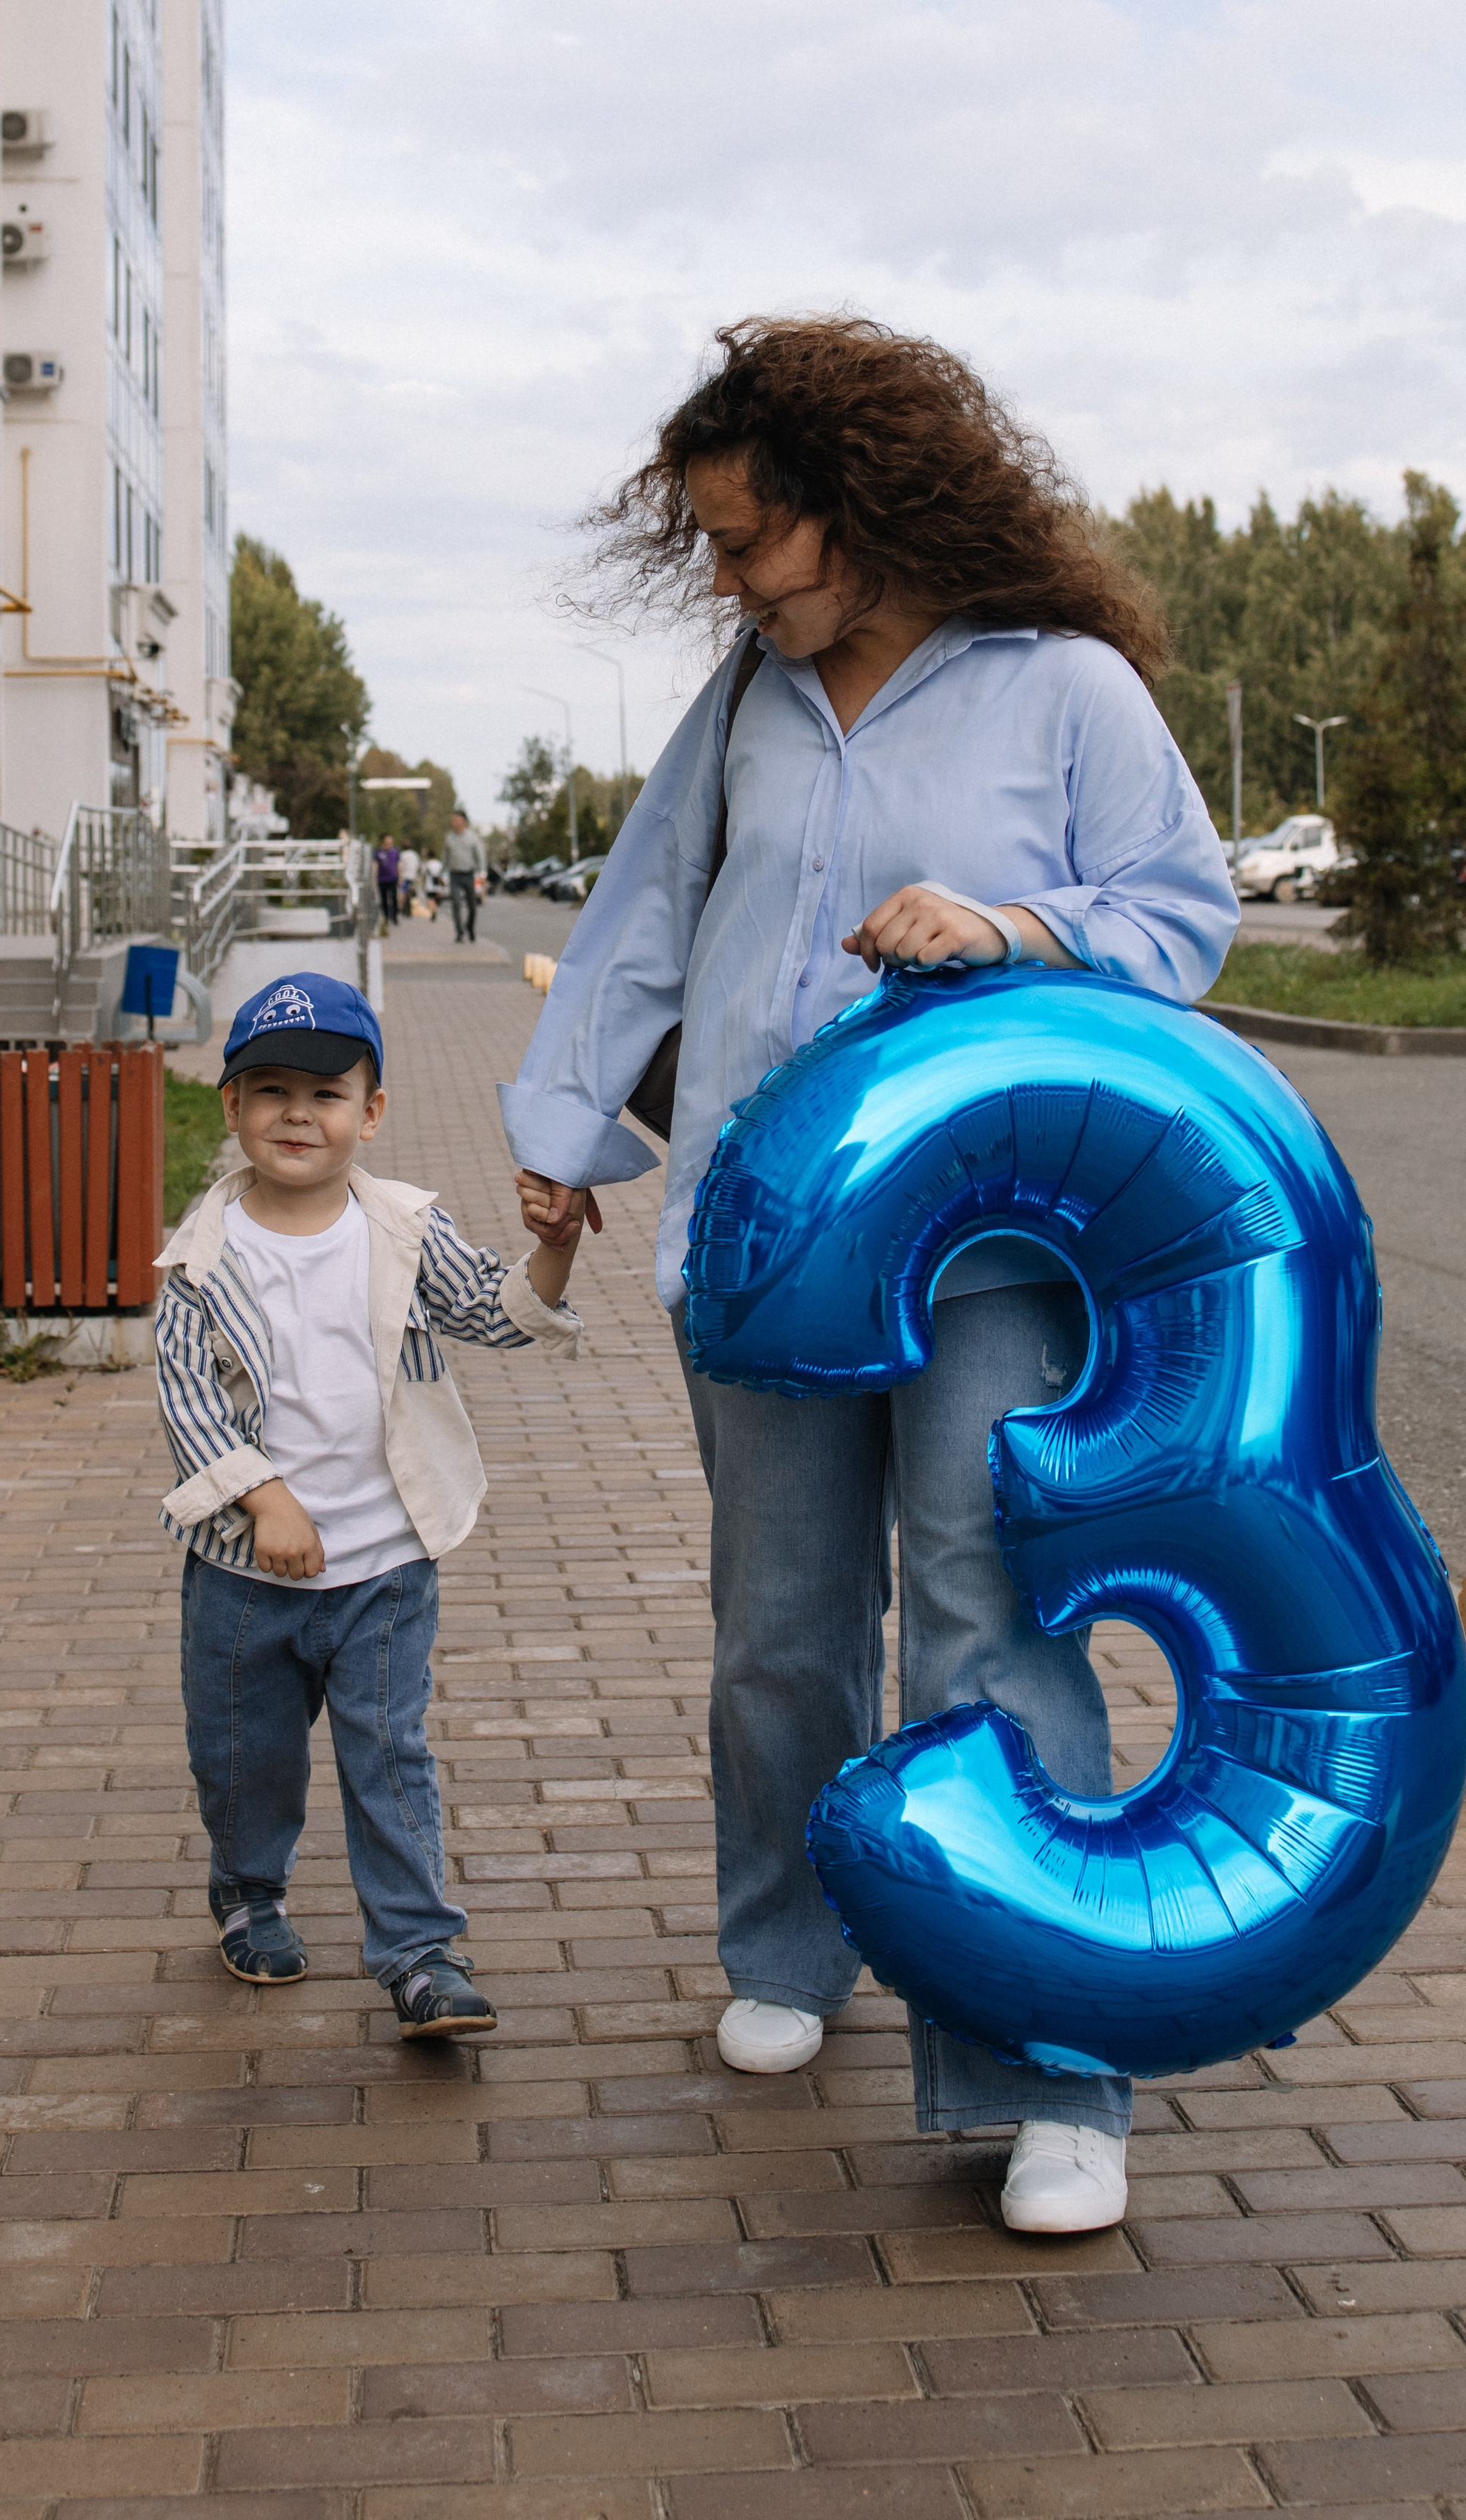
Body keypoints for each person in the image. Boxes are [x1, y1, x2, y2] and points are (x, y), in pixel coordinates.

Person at [503, 316, 1238, 2233]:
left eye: (754, 543)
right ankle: (790, 1948)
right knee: (778, 1630)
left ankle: (1046, 2059)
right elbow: (649, 911)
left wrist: (1008, 923)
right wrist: (567, 1135)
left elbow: (1181, 917)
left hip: (994, 1247)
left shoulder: (1063, 687)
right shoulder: (747, 700)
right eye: (718, 552)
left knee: (988, 1622)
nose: (733, 582)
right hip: (769, 1235)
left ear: (863, 506)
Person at [156, 971, 585, 2038]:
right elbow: (188, 1395)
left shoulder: (401, 1227)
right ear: (233, 1107)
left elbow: (492, 1308)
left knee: (388, 1752)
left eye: (328, 1093)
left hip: (388, 1561)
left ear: (372, 1111)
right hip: (248, 1576)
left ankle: (419, 1950)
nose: (299, 1114)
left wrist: (558, 1245)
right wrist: (264, 1499)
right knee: (244, 1756)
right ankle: (250, 1890)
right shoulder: (201, 1258)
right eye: (271, 1091)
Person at [442, 810, 488, 942]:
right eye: (453, 820)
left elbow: (480, 856)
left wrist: (482, 873)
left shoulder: (472, 837)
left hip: (469, 875)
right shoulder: (449, 837)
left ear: (463, 822)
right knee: (456, 903)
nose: (453, 822)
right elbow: (445, 856)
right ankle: (459, 932)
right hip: (454, 875)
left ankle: (470, 927)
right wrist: (442, 873)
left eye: (456, 820)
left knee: (472, 905)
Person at [373, 837, 401, 926]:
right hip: (382, 879)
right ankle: (386, 917)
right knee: (384, 899)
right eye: (388, 843)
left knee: (394, 897)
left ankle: (395, 916)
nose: (390, 845)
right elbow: (375, 865)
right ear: (383, 843)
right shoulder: (378, 852)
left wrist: (400, 877)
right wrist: (374, 876)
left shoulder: (395, 852)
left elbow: (398, 864)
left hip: (393, 878)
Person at [397, 843, 422, 918]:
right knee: (412, 892)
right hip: (413, 876)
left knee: (403, 892)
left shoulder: (402, 854)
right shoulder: (414, 854)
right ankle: (411, 906)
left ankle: (401, 908)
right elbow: (418, 866)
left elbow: (400, 865)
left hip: (404, 876)